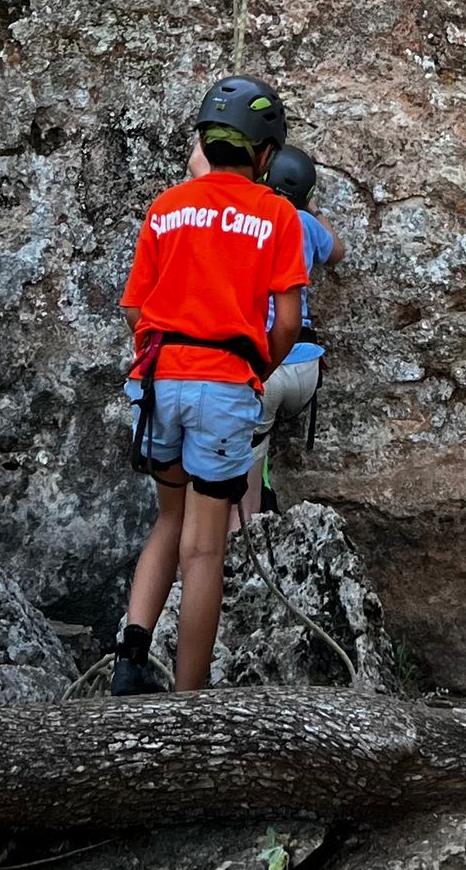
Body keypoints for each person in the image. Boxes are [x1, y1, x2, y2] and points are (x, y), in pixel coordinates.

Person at [112, 75, 308, 696]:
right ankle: (188, 703)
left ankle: (131, 658)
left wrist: (160, 358)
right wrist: (256, 373)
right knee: (203, 551)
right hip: (224, 385)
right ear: (266, 155)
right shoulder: (277, 214)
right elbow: (290, 320)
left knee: (167, 521)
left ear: (204, 140)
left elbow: (135, 308)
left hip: (159, 381)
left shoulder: (167, 207)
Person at [240, 144, 345, 521]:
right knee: (261, 440)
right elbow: (337, 253)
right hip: (305, 368)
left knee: (244, 468)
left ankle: (247, 534)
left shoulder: (253, 217)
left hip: (267, 361)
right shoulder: (306, 222)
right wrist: (310, 207)